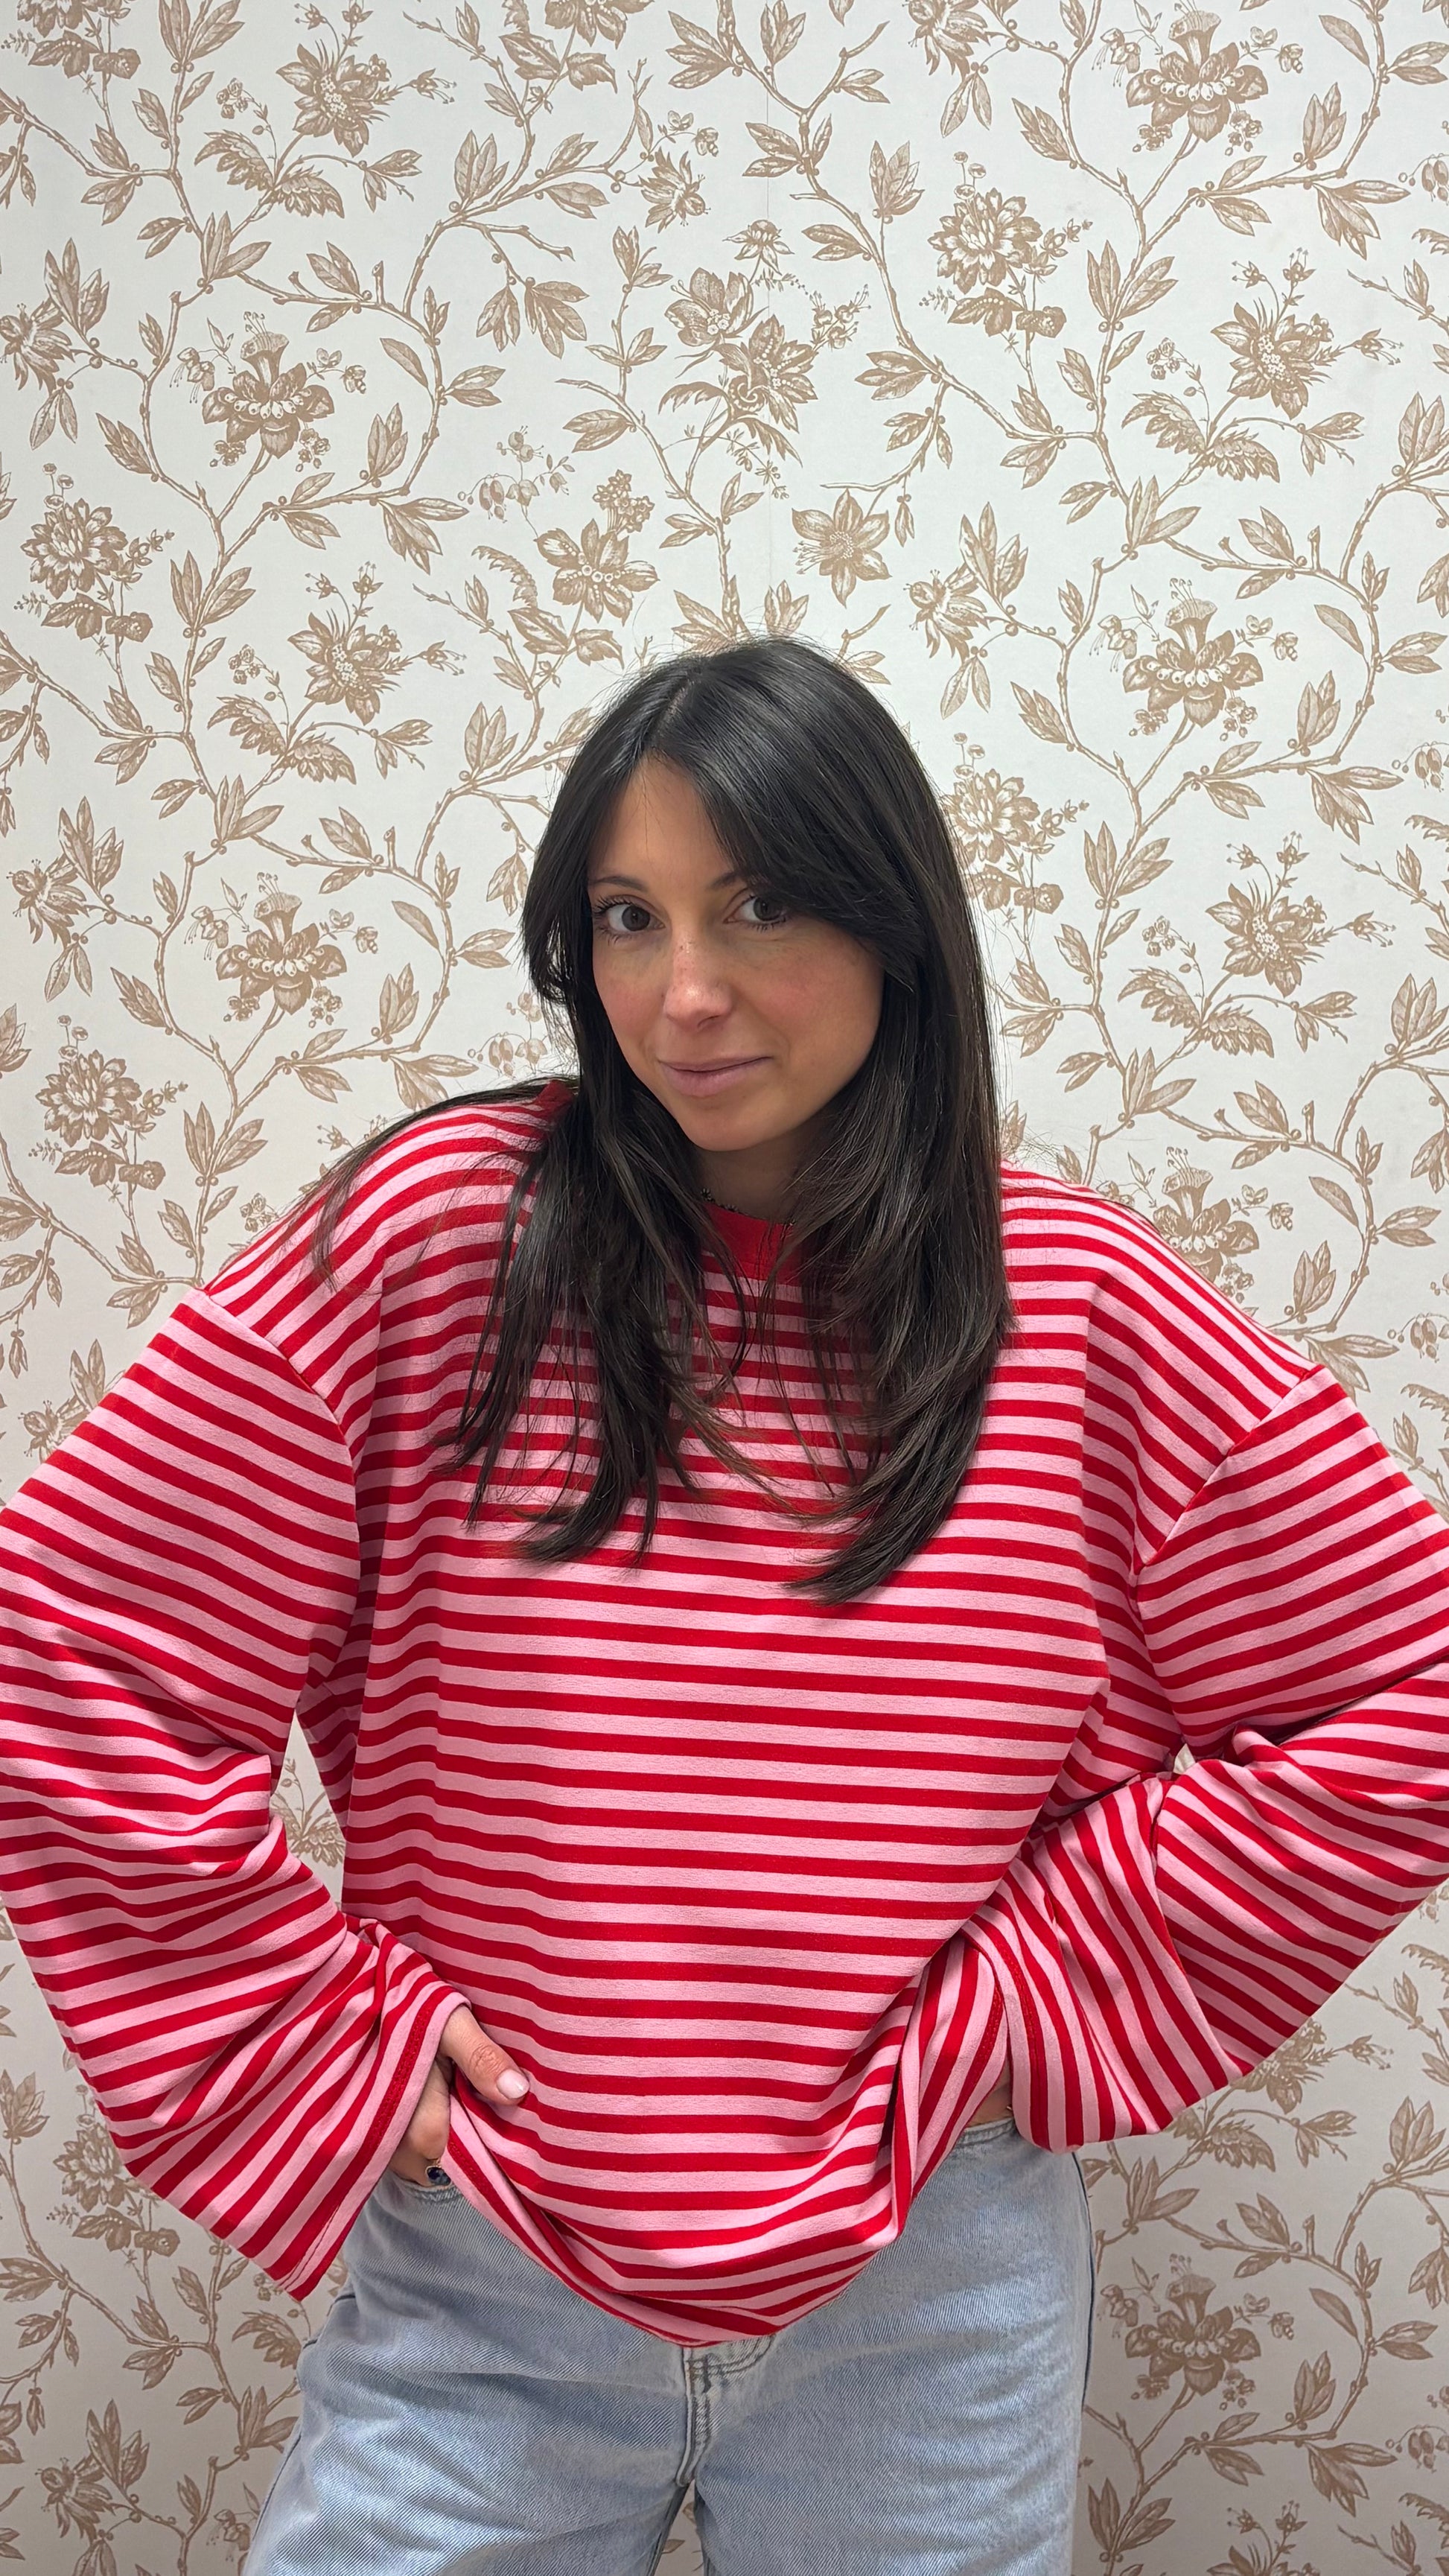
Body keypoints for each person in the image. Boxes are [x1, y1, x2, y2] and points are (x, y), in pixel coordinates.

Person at [1, 635, 1448, 2576]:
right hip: (485, 2273)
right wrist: (307, 2033)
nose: (682, 992)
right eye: (628, 917)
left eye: (758, 906)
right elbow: (74, 1640)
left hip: (931, 2295)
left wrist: (1038, 1989)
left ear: (893, 926)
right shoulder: (443, 1242)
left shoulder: (1077, 1304)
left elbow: (1402, 1683)